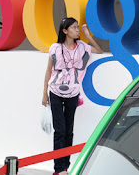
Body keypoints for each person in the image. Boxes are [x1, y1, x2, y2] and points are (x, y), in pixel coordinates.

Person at [42, 18, 103, 175]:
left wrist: (87, 36)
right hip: (55, 92)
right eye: (74, 28)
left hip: (73, 93)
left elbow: (99, 50)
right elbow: (49, 71)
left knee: (69, 131)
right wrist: (44, 93)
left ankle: (65, 166)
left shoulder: (82, 47)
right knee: (60, 131)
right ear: (65, 31)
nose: (77, 30)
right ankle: (58, 169)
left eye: (77, 27)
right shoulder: (55, 48)